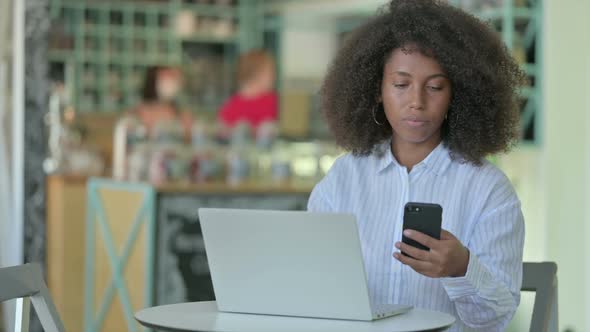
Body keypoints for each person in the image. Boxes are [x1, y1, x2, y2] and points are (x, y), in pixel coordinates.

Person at [307, 1, 526, 331]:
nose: (417, 102)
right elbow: (312, 287)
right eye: (400, 84)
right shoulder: (343, 179)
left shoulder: (488, 189)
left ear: (458, 94)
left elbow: (496, 319)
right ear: (376, 89)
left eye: (435, 87)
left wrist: (461, 268)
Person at [217, 49, 278, 131]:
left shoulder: (230, 106)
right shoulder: (273, 102)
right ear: (257, 74)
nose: (274, 77)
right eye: (271, 72)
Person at [132, 66, 192, 141]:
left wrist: (188, 132)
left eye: (174, 78)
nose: (171, 82)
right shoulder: (141, 111)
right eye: (166, 77)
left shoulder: (181, 113)